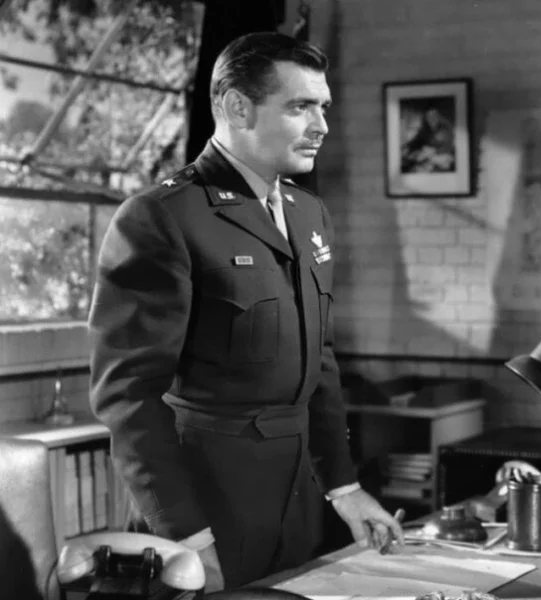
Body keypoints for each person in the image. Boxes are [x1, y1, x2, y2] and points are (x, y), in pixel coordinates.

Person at [88, 32, 403, 592]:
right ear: (238, 107)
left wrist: (345, 488)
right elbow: (128, 397)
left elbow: (320, 364)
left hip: (298, 511)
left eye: (323, 107)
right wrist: (188, 539)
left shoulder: (308, 213)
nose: (322, 125)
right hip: (207, 511)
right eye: (300, 106)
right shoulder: (162, 217)